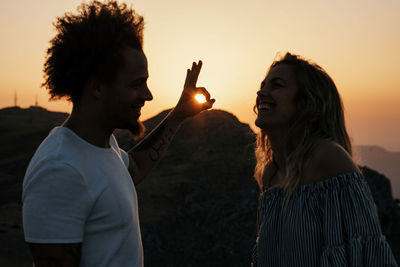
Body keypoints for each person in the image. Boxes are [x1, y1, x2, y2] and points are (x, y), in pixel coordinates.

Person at [22, 1, 215, 266]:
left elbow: (134, 167)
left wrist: (178, 115)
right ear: (98, 87)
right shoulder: (61, 168)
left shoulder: (103, 145)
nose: (148, 95)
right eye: (137, 84)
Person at [252, 52, 398, 266]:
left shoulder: (327, 158)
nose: (261, 92)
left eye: (276, 85)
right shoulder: (271, 174)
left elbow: (367, 254)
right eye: (263, 85)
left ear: (305, 102)